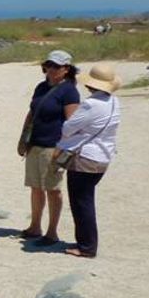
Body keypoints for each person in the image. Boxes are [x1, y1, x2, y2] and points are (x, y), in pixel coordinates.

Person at [55, 64, 122, 257]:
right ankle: (87, 243)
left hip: (86, 157)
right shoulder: (114, 102)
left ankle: (86, 246)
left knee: (81, 202)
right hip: (103, 156)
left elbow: (68, 128)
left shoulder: (91, 104)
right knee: (85, 199)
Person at [17, 50, 80, 245]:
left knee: (52, 189)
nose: (51, 70)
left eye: (56, 66)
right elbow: (31, 113)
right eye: (48, 65)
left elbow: (72, 123)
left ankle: (52, 232)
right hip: (35, 144)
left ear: (66, 69)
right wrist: (23, 139)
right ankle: (35, 226)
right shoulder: (41, 87)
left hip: (53, 147)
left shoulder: (69, 91)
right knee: (35, 188)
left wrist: (64, 149)